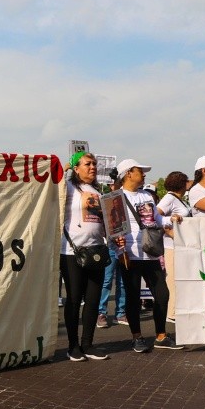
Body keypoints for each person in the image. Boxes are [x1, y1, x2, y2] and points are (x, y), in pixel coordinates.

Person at [115, 159, 183, 353]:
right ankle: (137, 336)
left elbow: (157, 218)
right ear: (128, 173)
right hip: (130, 254)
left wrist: (171, 219)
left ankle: (161, 335)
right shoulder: (116, 197)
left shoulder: (147, 196)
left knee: (162, 294)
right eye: (140, 171)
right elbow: (113, 227)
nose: (143, 174)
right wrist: (120, 250)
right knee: (133, 297)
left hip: (151, 253)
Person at [60, 151, 114, 361]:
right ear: (76, 168)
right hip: (72, 252)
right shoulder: (67, 188)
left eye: (94, 164)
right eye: (87, 164)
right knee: (73, 300)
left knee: (92, 301)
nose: (92, 167)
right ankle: (73, 346)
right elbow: (50, 184)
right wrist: (63, 169)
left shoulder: (98, 192)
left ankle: (88, 344)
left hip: (97, 251)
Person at [157, 171, 191, 323]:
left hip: (180, 245)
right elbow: (156, 215)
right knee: (172, 279)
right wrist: (170, 232)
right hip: (171, 246)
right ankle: (171, 312)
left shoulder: (178, 199)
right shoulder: (169, 198)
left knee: (179, 278)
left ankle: (177, 309)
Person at [97, 171, 127, 328]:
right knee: (107, 280)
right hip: (110, 246)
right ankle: (101, 312)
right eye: (113, 183)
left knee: (122, 282)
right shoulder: (106, 201)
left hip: (125, 247)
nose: (116, 185)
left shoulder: (127, 200)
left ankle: (120, 313)